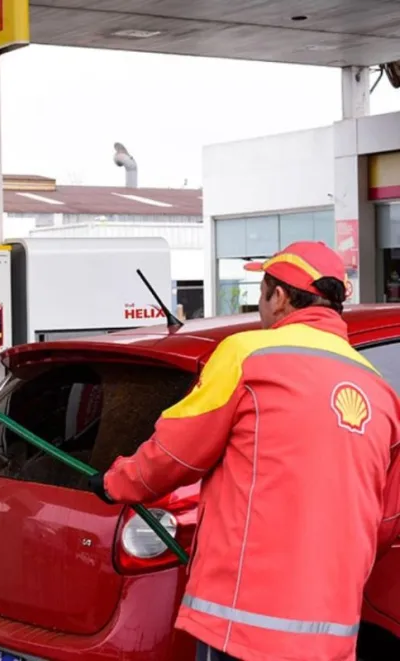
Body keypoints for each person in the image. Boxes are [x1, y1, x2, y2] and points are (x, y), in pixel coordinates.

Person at [88, 241, 400, 661]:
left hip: (242, 625)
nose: (261, 310)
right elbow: (384, 523)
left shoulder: (247, 354)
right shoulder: (381, 391)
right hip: (332, 636)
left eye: (262, 295)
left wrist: (114, 482)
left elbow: (175, 454)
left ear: (280, 296)